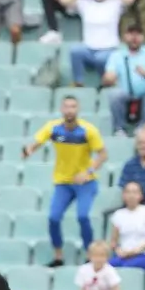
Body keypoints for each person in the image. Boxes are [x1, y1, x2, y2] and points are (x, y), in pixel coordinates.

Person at [23, 95, 107, 268]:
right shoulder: (53, 128)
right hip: (63, 182)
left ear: (78, 109)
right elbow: (37, 141)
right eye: (66, 106)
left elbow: (103, 155)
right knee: (53, 218)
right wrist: (29, 149)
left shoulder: (88, 130)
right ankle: (58, 256)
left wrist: (88, 172)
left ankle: (90, 254)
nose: (70, 110)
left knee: (82, 216)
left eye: (73, 106)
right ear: (61, 109)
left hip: (85, 183)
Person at [60, 0, 133, 87]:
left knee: (100, 59)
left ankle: (106, 82)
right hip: (88, 48)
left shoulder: (115, 3)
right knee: (75, 51)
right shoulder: (85, 4)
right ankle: (78, 82)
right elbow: (64, 0)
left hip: (109, 49)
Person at [101, 22, 145, 135]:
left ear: (143, 37)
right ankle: (119, 129)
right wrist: (109, 78)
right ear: (124, 37)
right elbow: (107, 78)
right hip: (125, 92)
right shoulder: (116, 55)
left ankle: (143, 126)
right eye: (131, 34)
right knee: (113, 93)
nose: (134, 37)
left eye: (138, 34)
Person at [108, 181, 145, 270]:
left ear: (140, 195)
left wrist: (139, 249)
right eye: (128, 192)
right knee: (106, 267)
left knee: (127, 267)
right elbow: (113, 242)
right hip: (124, 255)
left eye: (135, 192)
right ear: (123, 195)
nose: (131, 195)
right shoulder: (118, 214)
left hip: (144, 255)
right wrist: (118, 250)